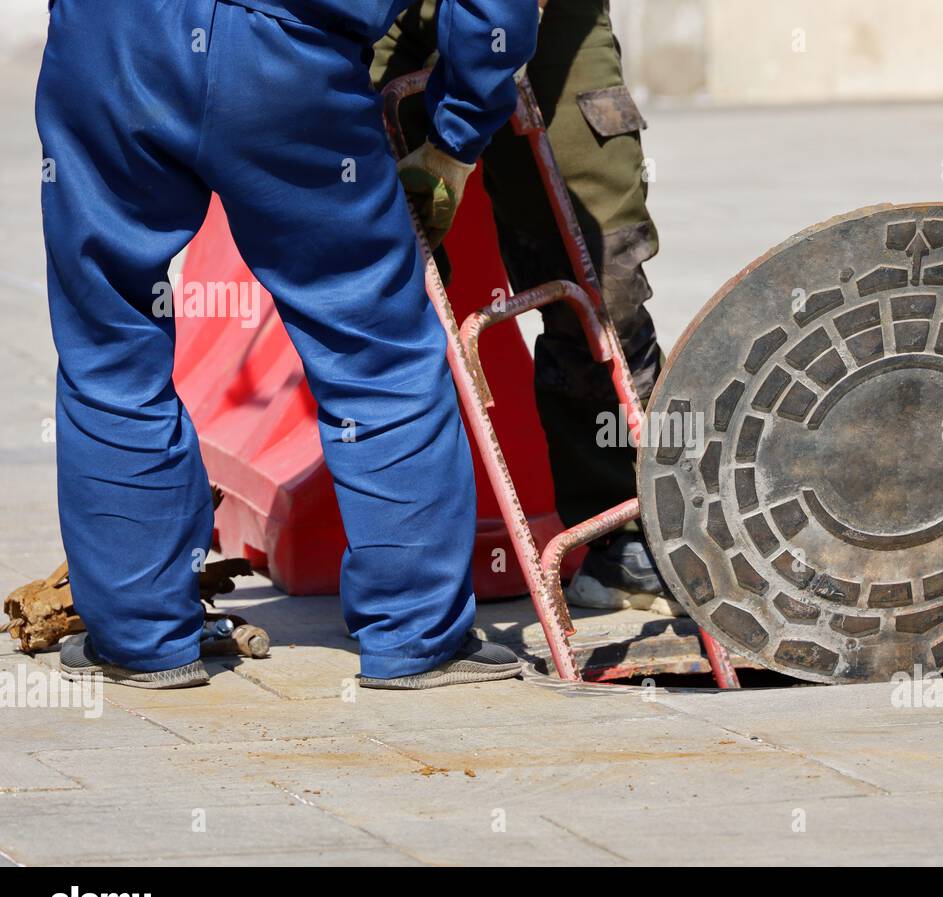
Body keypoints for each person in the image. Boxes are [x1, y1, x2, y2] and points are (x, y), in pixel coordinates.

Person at [39, 0, 537, 690]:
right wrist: (456, 134)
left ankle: (141, 637)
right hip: (284, 54)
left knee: (108, 338)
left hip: (107, 40)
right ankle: (415, 634)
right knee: (374, 346)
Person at [373, 0, 683, 617]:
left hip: (554, 27)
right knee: (378, 277)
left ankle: (624, 536)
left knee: (602, 286)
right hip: (377, 14)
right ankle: (405, 584)